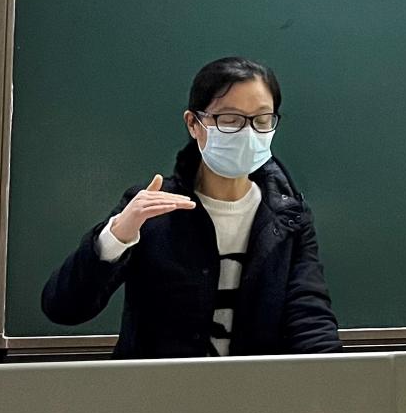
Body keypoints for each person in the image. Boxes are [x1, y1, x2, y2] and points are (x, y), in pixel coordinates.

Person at [42, 56, 340, 358]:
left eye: (262, 120)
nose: (248, 134)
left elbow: (309, 315)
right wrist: (116, 237)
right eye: (230, 120)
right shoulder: (153, 210)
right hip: (158, 386)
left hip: (255, 386)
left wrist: (337, 377)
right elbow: (64, 307)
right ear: (193, 124)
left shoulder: (288, 217)